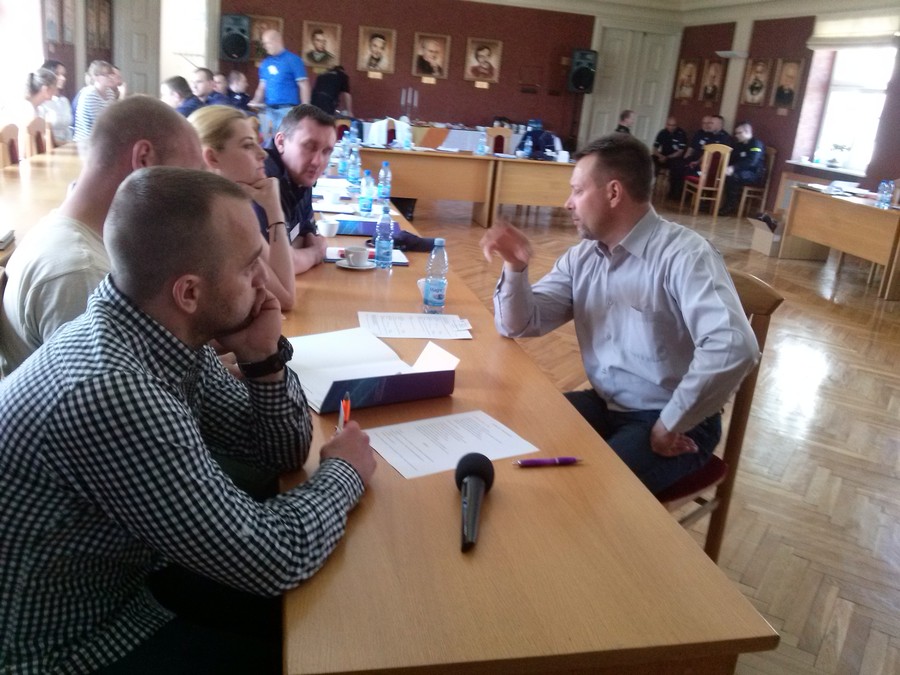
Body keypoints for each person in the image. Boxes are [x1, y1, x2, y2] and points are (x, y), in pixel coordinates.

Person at [0, 166, 376, 674]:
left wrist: (263, 358)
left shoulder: (158, 328)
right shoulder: (115, 390)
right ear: (189, 293)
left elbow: (277, 454)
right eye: (250, 267)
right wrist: (345, 472)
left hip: (131, 581)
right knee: (332, 652)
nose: (265, 282)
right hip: (71, 647)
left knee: (334, 619)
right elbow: (275, 557)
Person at [480, 133, 758, 494]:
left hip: (674, 419)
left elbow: (734, 346)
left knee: (587, 493)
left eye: (578, 191)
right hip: (608, 403)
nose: (568, 203)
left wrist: (671, 423)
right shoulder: (583, 257)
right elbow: (518, 324)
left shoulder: (685, 255)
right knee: (510, 435)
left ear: (613, 193)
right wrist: (515, 267)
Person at [0, 95, 204, 377]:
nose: (193, 197)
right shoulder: (82, 272)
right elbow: (110, 394)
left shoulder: (72, 230)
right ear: (144, 159)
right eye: (187, 176)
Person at [189, 104, 295, 309]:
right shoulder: (214, 222)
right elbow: (286, 298)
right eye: (247, 146)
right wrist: (274, 211)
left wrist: (273, 208)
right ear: (212, 158)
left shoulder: (230, 209)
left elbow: (283, 288)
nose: (263, 154)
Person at [264, 104, 334, 275]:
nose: (317, 161)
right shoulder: (265, 180)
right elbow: (274, 266)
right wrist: (315, 254)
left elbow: (306, 232)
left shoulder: (301, 176)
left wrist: (296, 253)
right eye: (309, 146)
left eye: (326, 151)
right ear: (281, 142)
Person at [250, 29, 309, 143]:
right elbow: (262, 87)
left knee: (285, 143)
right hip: (267, 110)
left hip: (287, 110)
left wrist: (305, 109)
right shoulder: (265, 63)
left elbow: (304, 86)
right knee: (265, 144)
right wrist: (255, 101)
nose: (265, 47)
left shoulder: (294, 60)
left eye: (267, 43)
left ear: (277, 41)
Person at [719, 122, 766, 216]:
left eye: (739, 133)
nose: (737, 135)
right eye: (736, 133)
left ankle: (731, 205)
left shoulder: (756, 144)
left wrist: (733, 168)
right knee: (725, 174)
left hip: (754, 173)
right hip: (741, 171)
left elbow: (752, 162)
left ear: (747, 131)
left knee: (733, 177)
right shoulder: (739, 145)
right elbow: (733, 158)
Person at [73, 60, 114, 143]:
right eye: (105, 75)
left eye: (110, 74)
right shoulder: (89, 93)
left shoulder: (110, 93)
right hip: (86, 140)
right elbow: (98, 122)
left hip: (102, 138)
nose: (110, 77)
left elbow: (112, 115)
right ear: (96, 77)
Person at [652, 116, 688, 199]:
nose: (671, 127)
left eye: (673, 125)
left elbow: (680, 151)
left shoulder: (681, 133)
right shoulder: (662, 133)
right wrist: (660, 155)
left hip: (674, 157)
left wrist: (667, 157)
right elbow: (655, 148)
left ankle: (673, 193)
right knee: (650, 159)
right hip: (662, 156)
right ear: (666, 125)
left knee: (678, 165)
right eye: (669, 125)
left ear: (676, 125)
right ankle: (648, 185)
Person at [37, 59, 73, 143]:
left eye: (63, 75)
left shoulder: (64, 101)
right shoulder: (42, 102)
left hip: (66, 144)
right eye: (57, 74)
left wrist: (70, 144)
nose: (63, 78)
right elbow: (41, 134)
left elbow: (67, 129)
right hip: (49, 145)